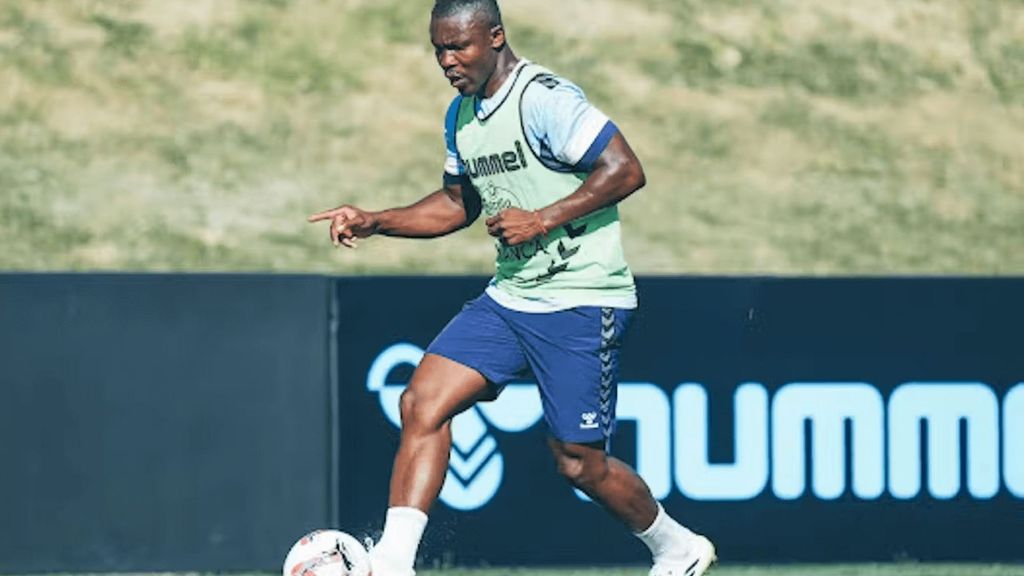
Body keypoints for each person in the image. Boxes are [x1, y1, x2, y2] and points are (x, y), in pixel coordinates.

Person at [308, 1, 716, 575]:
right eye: (438, 50)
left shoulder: (544, 99)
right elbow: (457, 205)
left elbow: (625, 169)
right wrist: (378, 219)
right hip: (510, 299)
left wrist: (542, 217)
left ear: (495, 37)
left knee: (579, 466)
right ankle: (394, 564)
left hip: (582, 298)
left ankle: (678, 547)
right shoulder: (461, 117)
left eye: (459, 47)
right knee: (421, 402)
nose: (448, 61)